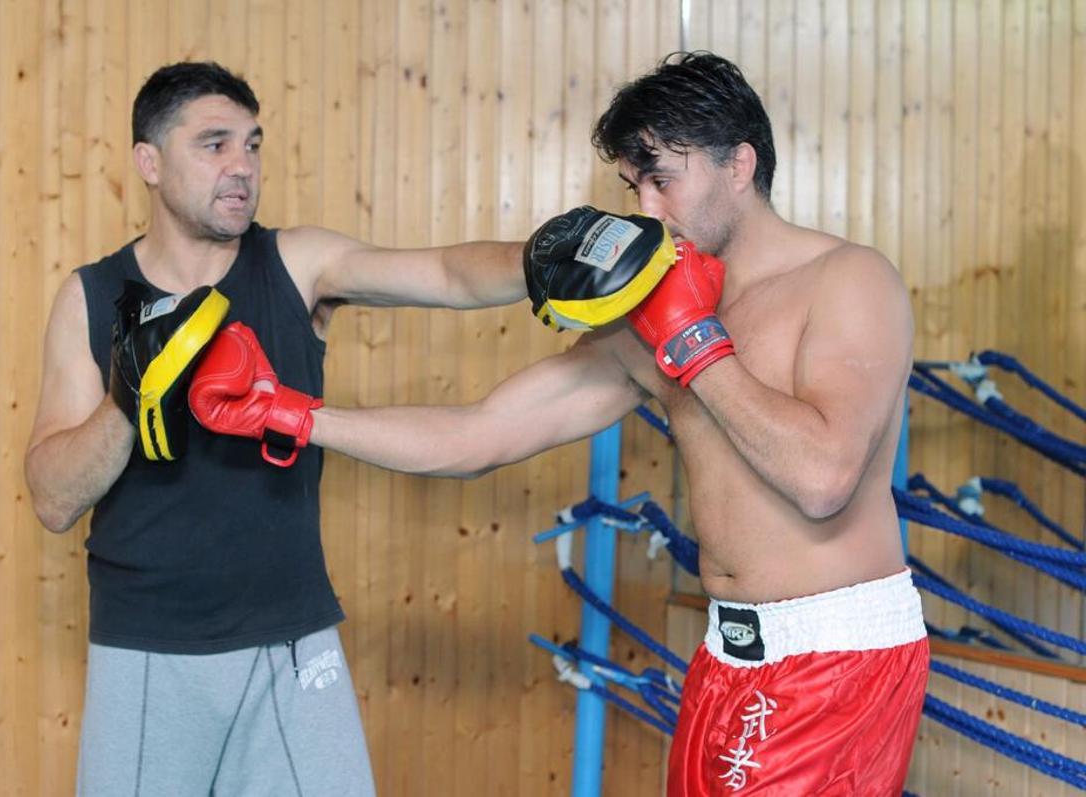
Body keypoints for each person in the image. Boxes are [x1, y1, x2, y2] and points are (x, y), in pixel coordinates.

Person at [193, 52, 929, 796]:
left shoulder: (848, 281)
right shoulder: (651, 322)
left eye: (663, 179)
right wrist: (292, 413)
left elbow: (823, 477)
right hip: (728, 652)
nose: (647, 209)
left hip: (839, 656)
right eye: (633, 185)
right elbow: (479, 434)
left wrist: (695, 342)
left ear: (739, 164)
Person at [24, 61, 553, 796]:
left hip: (295, 644)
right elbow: (52, 497)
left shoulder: (296, 265)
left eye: (253, 144)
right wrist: (128, 400)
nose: (241, 167)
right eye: (214, 145)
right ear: (149, 161)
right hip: (151, 647)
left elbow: (447, 276)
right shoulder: (92, 296)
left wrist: (544, 262)